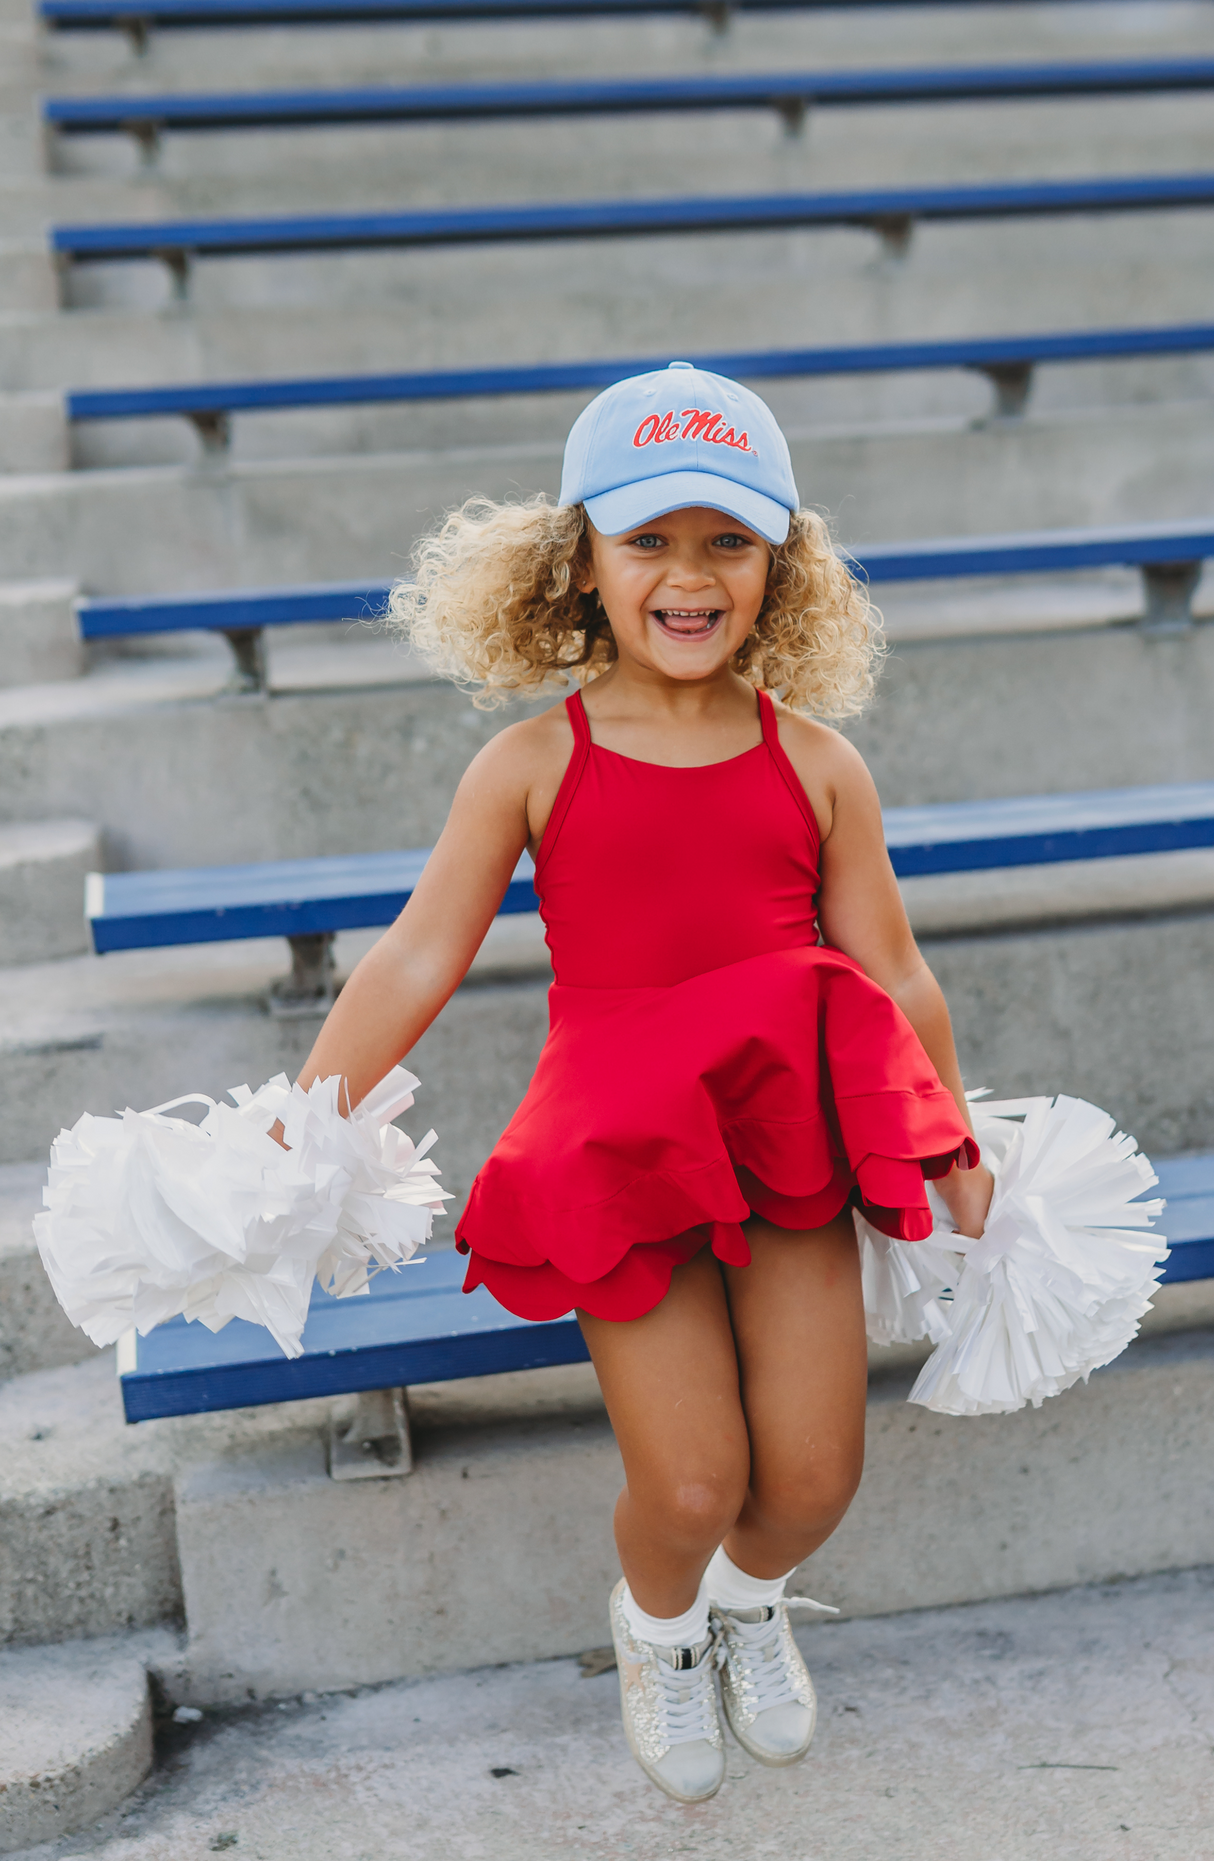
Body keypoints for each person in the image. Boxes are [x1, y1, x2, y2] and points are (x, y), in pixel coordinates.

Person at [293, 363, 994, 1803]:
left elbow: (896, 972)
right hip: (618, 1149)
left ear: (777, 566)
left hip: (783, 1131)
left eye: (725, 542)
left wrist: (952, 1130)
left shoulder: (815, 762)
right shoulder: (532, 761)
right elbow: (419, 954)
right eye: (649, 542)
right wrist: (302, 1126)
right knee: (685, 1487)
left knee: (805, 1481)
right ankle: (661, 1622)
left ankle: (745, 1604)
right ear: (582, 562)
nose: (688, 576)